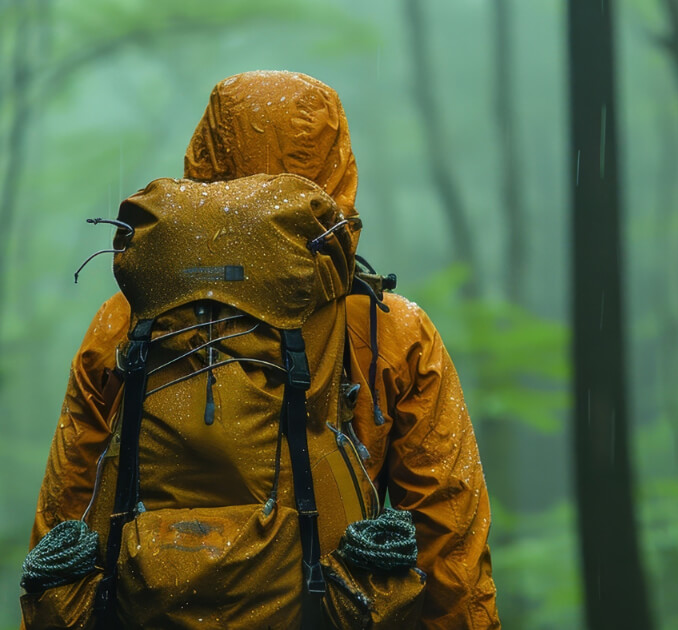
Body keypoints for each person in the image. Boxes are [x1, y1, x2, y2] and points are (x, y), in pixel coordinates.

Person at [28, 70, 501, 629]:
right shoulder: (389, 329)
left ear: (204, 157)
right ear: (337, 168)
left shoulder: (125, 319)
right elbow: (448, 539)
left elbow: (62, 532)